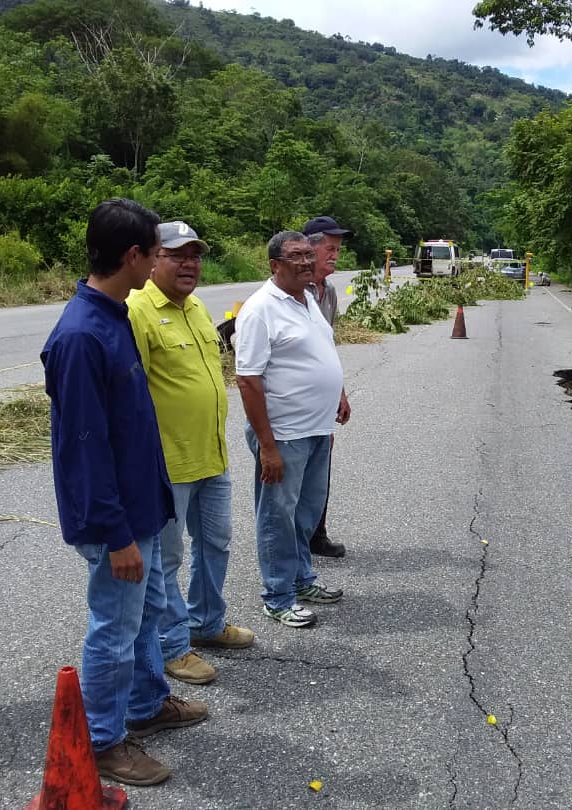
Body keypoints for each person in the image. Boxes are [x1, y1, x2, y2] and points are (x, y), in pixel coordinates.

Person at [41, 199, 206, 787]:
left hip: (142, 508)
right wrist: (116, 536)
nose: (163, 262)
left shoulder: (112, 316)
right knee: (114, 627)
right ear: (135, 256)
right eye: (159, 252)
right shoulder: (82, 335)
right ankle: (105, 740)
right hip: (116, 519)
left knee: (144, 617)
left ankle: (146, 703)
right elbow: (86, 448)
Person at [127, 221, 255, 689]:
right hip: (167, 464)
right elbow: (129, 393)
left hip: (212, 455)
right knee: (167, 559)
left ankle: (207, 621)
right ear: (151, 258)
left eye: (195, 256)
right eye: (177, 255)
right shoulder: (137, 310)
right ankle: (172, 646)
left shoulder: (198, 306)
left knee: (216, 544)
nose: (189, 264)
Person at [235, 231, 350, 628]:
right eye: (296, 257)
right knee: (277, 517)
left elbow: (322, 350)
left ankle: (302, 580)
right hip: (283, 433)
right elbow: (248, 379)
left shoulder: (309, 300)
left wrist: (339, 393)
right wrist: (267, 446)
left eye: (307, 255)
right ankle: (278, 595)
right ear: (274, 265)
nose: (306, 262)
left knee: (306, 512)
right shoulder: (260, 309)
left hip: (316, 428)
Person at [302, 215, 352, 558]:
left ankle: (316, 534)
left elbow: (327, 347)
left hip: (321, 398)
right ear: (309, 249)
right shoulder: (292, 290)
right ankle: (292, 543)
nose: (335, 255)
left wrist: (339, 392)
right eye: (329, 249)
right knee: (293, 475)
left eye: (337, 249)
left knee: (321, 467)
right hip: (296, 399)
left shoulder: (329, 292)